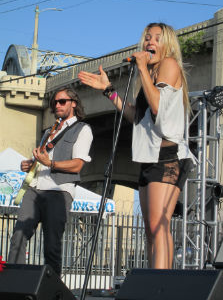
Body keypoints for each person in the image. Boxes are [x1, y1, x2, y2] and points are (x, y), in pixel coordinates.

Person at [78, 22, 194, 269]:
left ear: (168, 44)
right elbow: (136, 116)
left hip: (169, 155)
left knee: (158, 225)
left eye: (156, 38)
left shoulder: (169, 65)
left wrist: (141, 67)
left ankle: (160, 287)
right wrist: (108, 91)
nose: (150, 42)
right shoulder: (149, 75)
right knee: (151, 230)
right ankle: (154, 283)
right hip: (149, 156)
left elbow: (157, 107)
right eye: (147, 37)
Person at [8, 86, 93, 276]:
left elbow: (77, 165)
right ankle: (13, 283)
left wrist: (51, 163)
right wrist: (31, 164)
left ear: (74, 103)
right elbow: (43, 161)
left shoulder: (83, 129)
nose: (57, 105)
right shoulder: (49, 131)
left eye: (62, 101)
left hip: (59, 189)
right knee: (18, 236)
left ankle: (51, 290)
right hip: (35, 187)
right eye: (55, 102)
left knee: (51, 244)